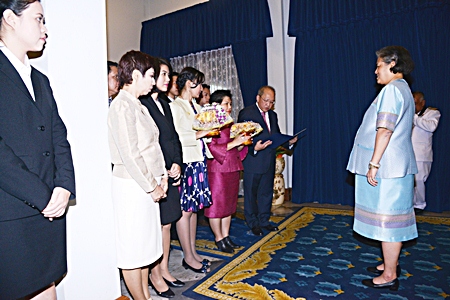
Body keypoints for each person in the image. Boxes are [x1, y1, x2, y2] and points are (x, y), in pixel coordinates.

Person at [0, 1, 76, 299]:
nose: (45, 29)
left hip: (50, 208)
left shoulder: (40, 80)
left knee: (47, 287)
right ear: (10, 19)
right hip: (13, 211)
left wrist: (64, 185)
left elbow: (59, 136)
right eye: (39, 19)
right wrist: (43, 196)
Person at [347, 46, 418, 291]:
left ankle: (389, 275)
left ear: (392, 64)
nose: (375, 71)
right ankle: (390, 264)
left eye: (379, 65)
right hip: (397, 165)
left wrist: (374, 163)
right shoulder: (404, 89)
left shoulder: (391, 90)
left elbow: (385, 130)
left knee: (389, 222)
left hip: (388, 167)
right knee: (390, 219)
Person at [108, 50, 168, 300]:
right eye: (151, 76)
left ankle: (145, 296)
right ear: (135, 75)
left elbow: (151, 147)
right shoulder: (122, 106)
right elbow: (131, 155)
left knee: (145, 249)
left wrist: (161, 176)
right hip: (133, 187)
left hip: (145, 186)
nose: (154, 82)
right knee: (133, 252)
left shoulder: (136, 104)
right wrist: (153, 186)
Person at [140, 58, 184, 297]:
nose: (168, 80)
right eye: (164, 75)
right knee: (157, 226)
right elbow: (148, 144)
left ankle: (164, 269)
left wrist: (177, 163)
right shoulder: (142, 103)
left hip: (170, 171)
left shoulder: (165, 103)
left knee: (167, 224)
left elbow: (172, 137)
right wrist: (162, 168)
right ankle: (155, 276)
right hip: (155, 174)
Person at [170, 67, 213, 273]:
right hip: (186, 162)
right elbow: (176, 137)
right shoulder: (176, 106)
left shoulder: (196, 106)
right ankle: (188, 256)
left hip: (198, 160)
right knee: (185, 211)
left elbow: (201, 133)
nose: (201, 89)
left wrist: (209, 133)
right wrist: (200, 134)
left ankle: (193, 251)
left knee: (194, 209)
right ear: (189, 84)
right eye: (199, 84)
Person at [237, 86, 297, 236]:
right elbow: (241, 137)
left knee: (266, 193)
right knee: (251, 194)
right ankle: (253, 223)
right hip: (253, 160)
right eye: (266, 100)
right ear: (258, 98)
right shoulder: (247, 113)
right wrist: (254, 147)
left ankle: (264, 221)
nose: (268, 105)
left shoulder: (273, 116)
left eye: (271, 102)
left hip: (269, 160)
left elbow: (275, 136)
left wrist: (288, 142)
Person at [205, 90, 250, 253]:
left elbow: (234, 148)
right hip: (217, 169)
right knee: (217, 206)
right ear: (216, 105)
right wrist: (234, 143)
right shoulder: (210, 123)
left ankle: (226, 236)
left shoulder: (230, 123)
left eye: (230, 103)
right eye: (226, 103)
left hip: (231, 167)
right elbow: (211, 148)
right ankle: (219, 238)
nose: (229, 107)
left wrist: (241, 143)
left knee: (229, 205)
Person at [411, 91, 440, 213]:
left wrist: (413, 117)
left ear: (423, 103)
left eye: (415, 103)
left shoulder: (433, 113)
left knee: (418, 181)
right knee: (408, 182)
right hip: (408, 153)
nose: (413, 107)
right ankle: (409, 205)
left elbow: (431, 127)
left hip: (421, 155)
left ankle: (419, 205)